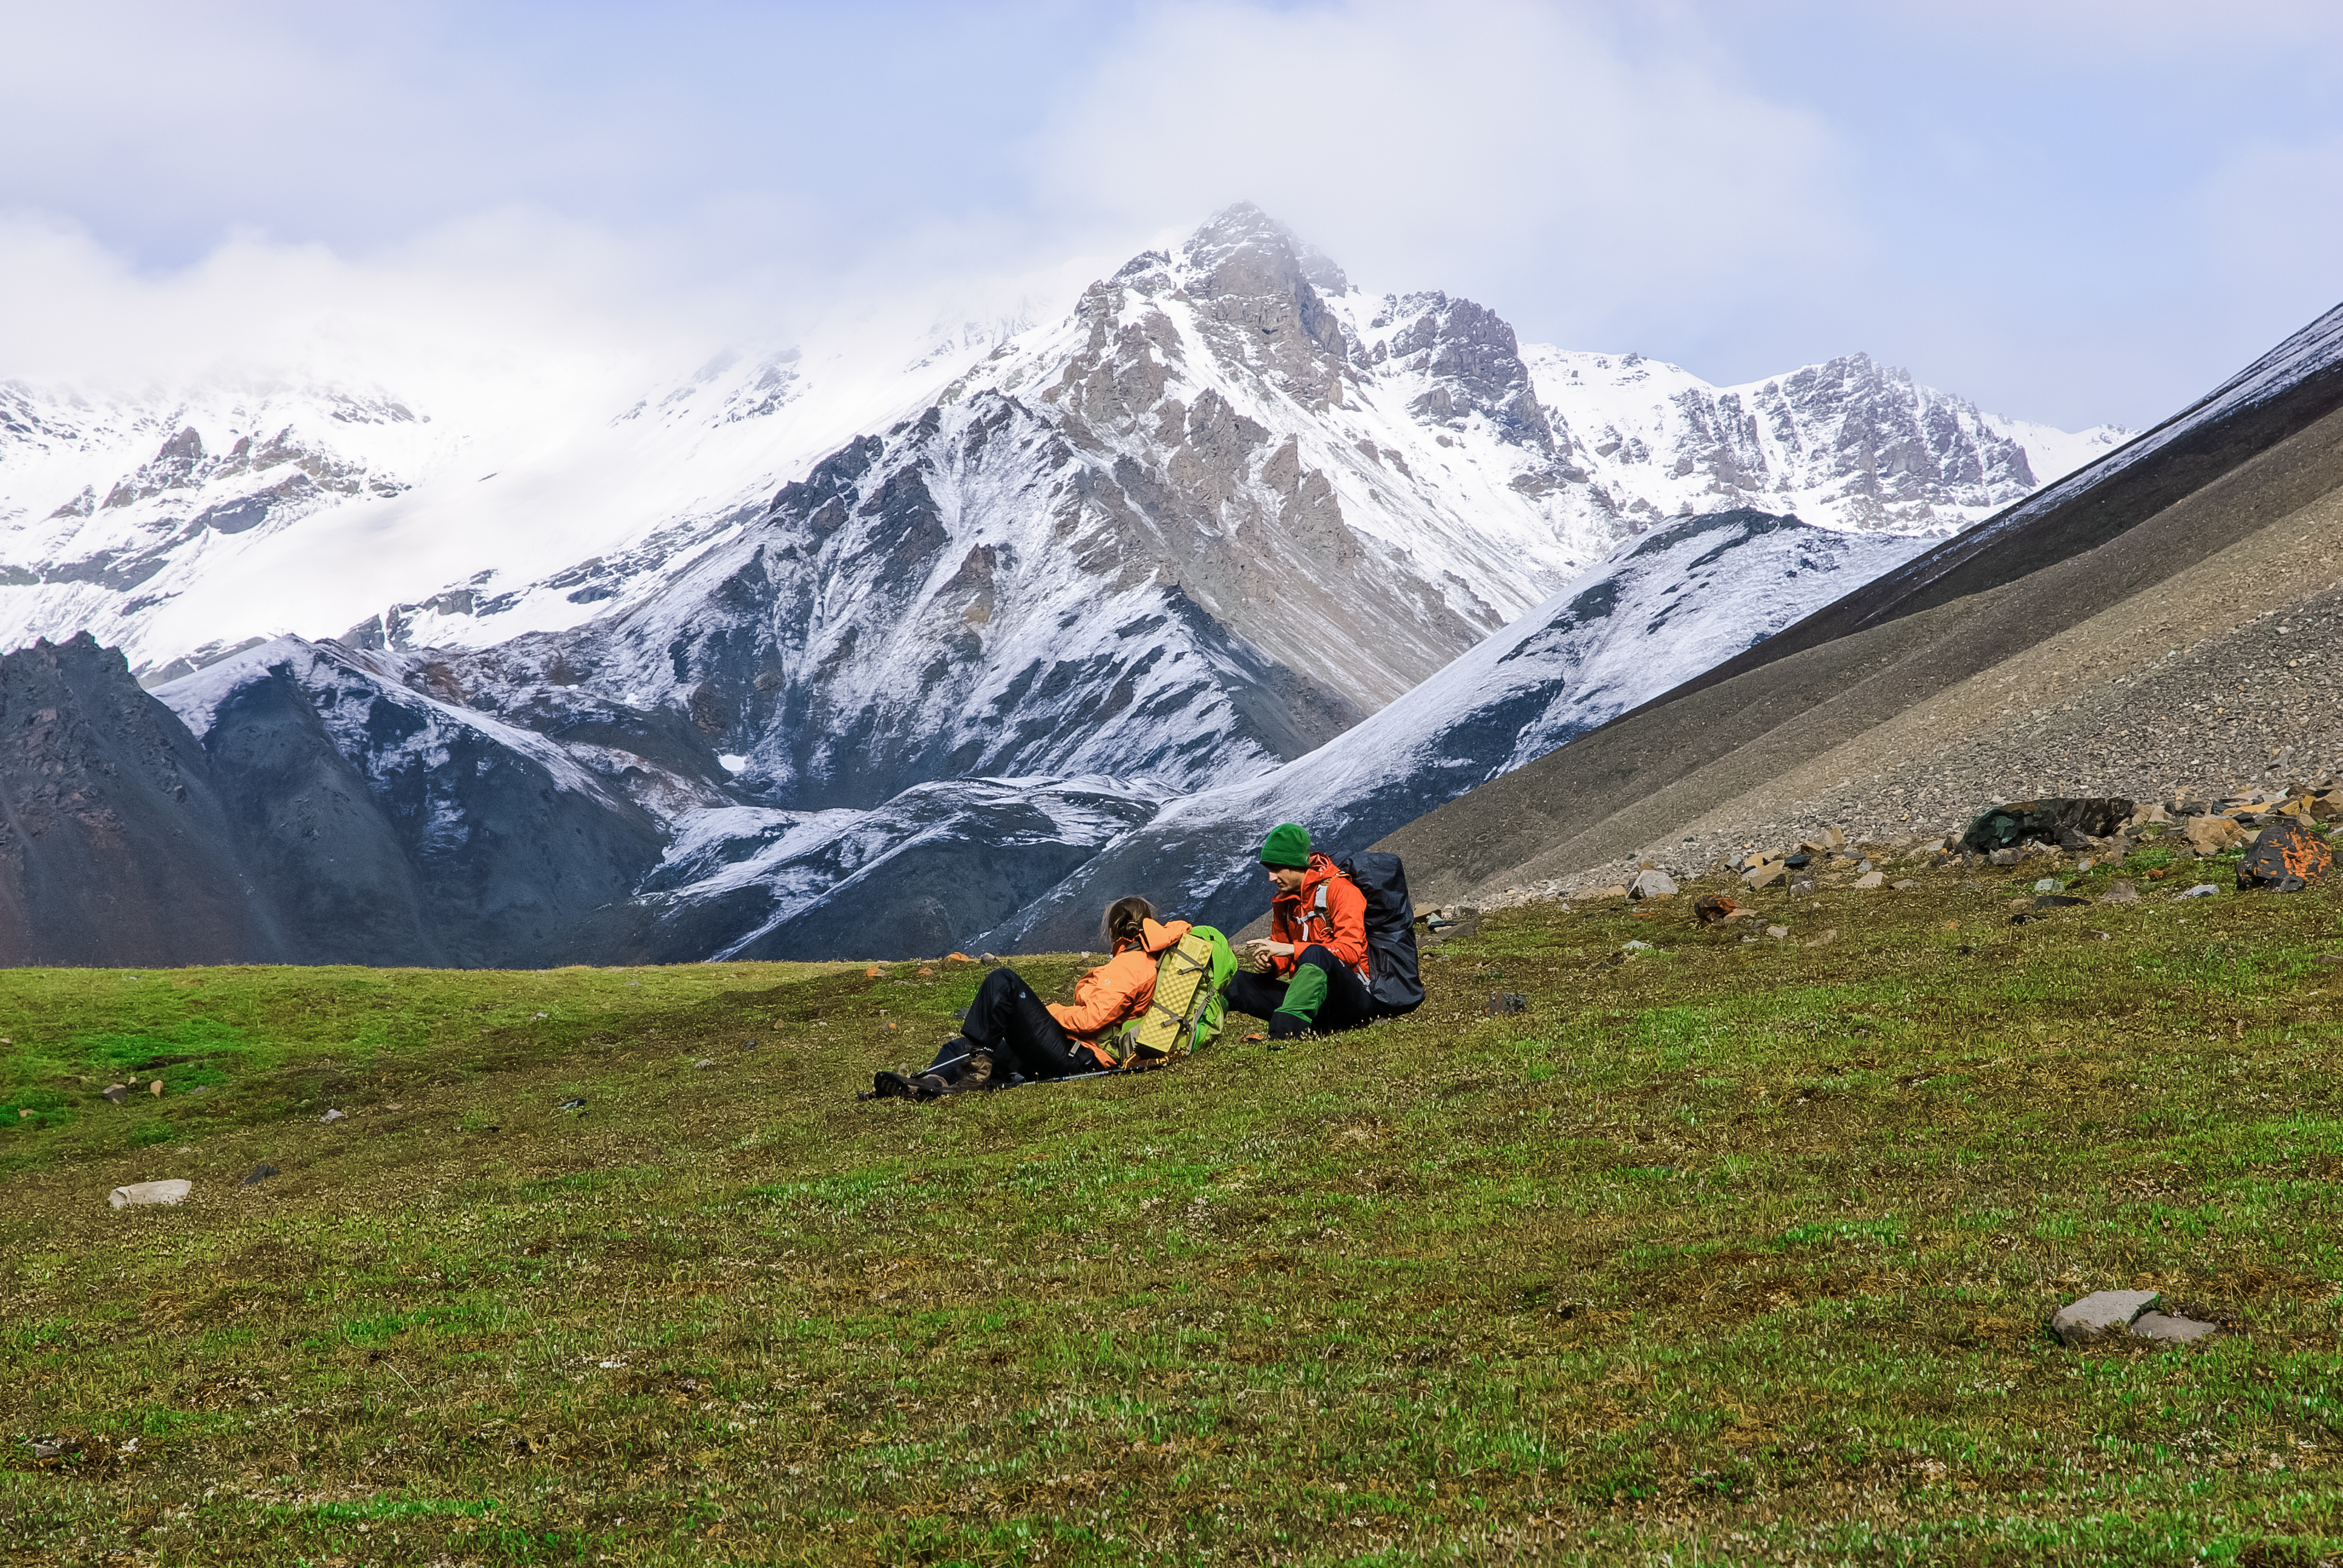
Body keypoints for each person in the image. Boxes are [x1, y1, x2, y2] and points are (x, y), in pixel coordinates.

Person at [871, 897, 1194, 1099]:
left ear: (1114, 930)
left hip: (1081, 1056)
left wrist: (1051, 1011)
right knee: (972, 1046)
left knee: (1005, 981)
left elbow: (1090, 1020)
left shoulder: (1130, 964)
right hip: (1077, 1049)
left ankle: (970, 1074)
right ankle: (929, 1081)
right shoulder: (1145, 959)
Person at [1224, 823, 1380, 1039]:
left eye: (1276, 869)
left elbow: (1350, 952)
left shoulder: (1342, 891)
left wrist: (1291, 949)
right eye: (1268, 869)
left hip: (1352, 1004)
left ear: (1296, 864)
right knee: (1237, 982)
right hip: (1312, 1006)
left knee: (1316, 954)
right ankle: (1191, 1034)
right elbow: (1282, 955)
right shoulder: (1284, 901)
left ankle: (1282, 1037)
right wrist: (1270, 964)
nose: (1271, 877)